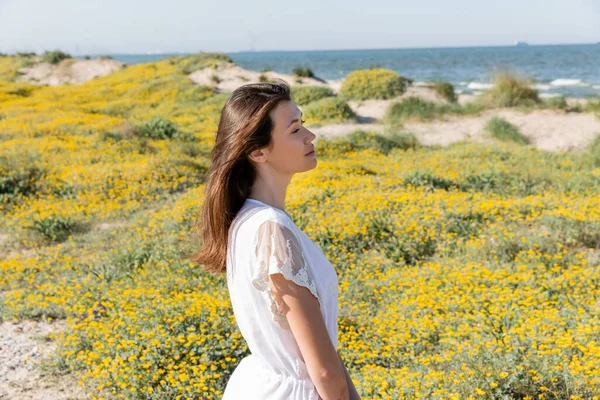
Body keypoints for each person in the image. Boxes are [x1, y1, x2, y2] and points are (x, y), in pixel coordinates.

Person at [187, 80, 360, 399]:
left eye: (303, 124)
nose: (311, 136)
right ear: (257, 151)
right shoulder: (272, 229)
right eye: (295, 129)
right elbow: (322, 371)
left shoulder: (246, 220)